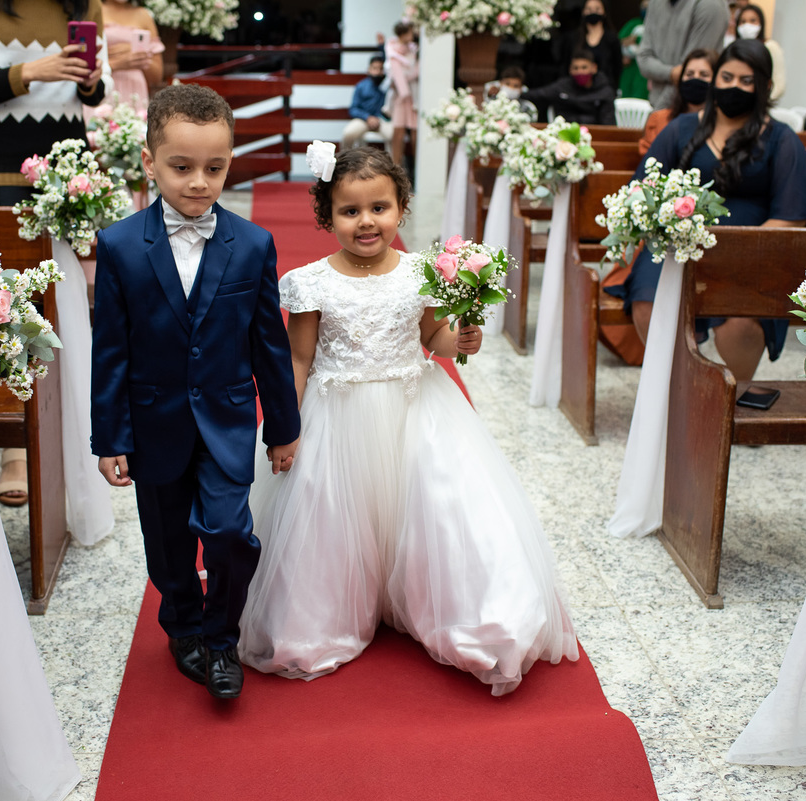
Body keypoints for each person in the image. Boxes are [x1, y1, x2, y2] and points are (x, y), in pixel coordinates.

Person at [237, 145, 579, 696]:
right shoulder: (309, 282)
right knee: (332, 516)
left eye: (380, 207)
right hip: (336, 417)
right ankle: (332, 612)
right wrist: (285, 429)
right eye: (350, 211)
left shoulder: (421, 271)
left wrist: (461, 337)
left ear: (401, 209)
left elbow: (432, 338)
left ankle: (445, 608)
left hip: (415, 409)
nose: (366, 221)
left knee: (437, 510)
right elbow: (299, 359)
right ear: (327, 215)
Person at [91, 84, 301, 700]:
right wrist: (110, 437)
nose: (198, 182)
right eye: (181, 167)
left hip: (228, 420)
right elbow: (112, 351)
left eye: (215, 167)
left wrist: (283, 427)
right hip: (154, 423)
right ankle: (181, 623)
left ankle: (219, 639)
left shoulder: (253, 245)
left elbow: (269, 344)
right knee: (168, 546)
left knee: (231, 532)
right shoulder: (121, 246)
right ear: (149, 161)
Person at [0, 0, 112, 505]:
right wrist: (31, 71)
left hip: (65, 175)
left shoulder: (87, 4)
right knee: (7, 310)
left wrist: (89, 80)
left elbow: (94, 92)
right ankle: (15, 451)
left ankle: (74, 445)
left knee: (63, 311)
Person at [611, 39, 806, 384]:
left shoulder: (782, 140)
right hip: (675, 249)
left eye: (746, 80)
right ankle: (673, 389)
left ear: (764, 86)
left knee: (740, 325)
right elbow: (642, 189)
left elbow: (793, 215)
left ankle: (729, 401)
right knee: (648, 302)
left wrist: (735, 249)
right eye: (726, 77)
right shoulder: (680, 129)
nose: (733, 87)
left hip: (750, 256)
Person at [636, 0, 729, 109]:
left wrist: (660, 112)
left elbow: (688, 74)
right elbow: (643, 59)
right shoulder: (655, 3)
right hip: (656, 105)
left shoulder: (710, 5)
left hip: (695, 110)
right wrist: (671, 73)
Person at [639, 48, 716, 155]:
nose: (695, 79)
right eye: (689, 74)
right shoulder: (659, 120)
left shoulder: (722, 125)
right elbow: (648, 160)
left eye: (704, 75)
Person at [94, 0, 163, 115]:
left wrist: (139, 53)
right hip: (101, 88)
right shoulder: (92, 10)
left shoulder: (143, 15)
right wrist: (117, 63)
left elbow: (157, 77)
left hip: (135, 92)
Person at [521, 47, 616, 126]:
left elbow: (608, 124)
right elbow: (539, 94)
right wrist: (517, 92)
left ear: (594, 68)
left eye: (584, 67)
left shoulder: (604, 91)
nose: (580, 72)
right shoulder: (562, 87)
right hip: (565, 136)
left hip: (595, 136)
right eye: (576, 68)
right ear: (570, 70)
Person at [556, 0, 623, 90]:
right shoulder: (573, 38)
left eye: (597, 9)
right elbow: (564, 65)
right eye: (589, 9)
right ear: (583, 12)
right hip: (576, 91)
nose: (593, 12)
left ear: (604, 12)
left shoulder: (612, 39)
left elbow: (617, 68)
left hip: (603, 90)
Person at [733, 5, 784, 101]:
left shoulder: (770, 47)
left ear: (761, 23)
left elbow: (779, 86)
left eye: (752, 21)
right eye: (743, 22)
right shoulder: (733, 49)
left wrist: (762, 103)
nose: (747, 25)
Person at [341, 55, 393, 150]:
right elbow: (353, 109)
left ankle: (395, 164)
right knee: (347, 133)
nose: (377, 72)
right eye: (374, 68)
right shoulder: (361, 86)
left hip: (382, 120)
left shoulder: (388, 86)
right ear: (369, 69)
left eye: (380, 69)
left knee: (394, 135)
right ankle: (344, 162)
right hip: (363, 120)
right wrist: (367, 117)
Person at [386, 21, 418, 170]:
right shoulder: (392, 50)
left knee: (415, 131)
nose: (413, 35)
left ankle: (417, 169)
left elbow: (415, 71)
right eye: (411, 32)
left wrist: (409, 74)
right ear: (404, 34)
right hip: (400, 95)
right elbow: (394, 73)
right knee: (398, 131)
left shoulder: (413, 49)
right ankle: (396, 168)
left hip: (413, 96)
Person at [618, 0, 650, 100]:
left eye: (648, 6)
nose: (646, 9)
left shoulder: (659, 25)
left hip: (646, 73)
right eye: (643, 7)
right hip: (630, 70)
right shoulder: (633, 23)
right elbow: (619, 42)